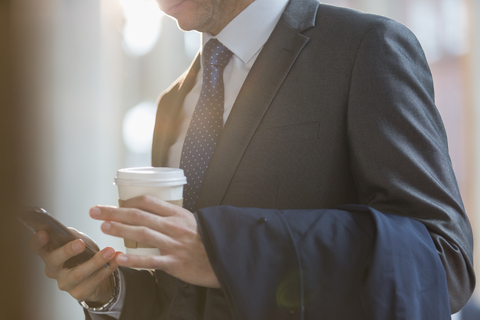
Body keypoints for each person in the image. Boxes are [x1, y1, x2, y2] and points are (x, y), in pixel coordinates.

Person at [28, 0, 475, 318]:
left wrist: (230, 249)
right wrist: (113, 293)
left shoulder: (365, 47)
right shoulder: (173, 101)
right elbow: (191, 298)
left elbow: (443, 260)